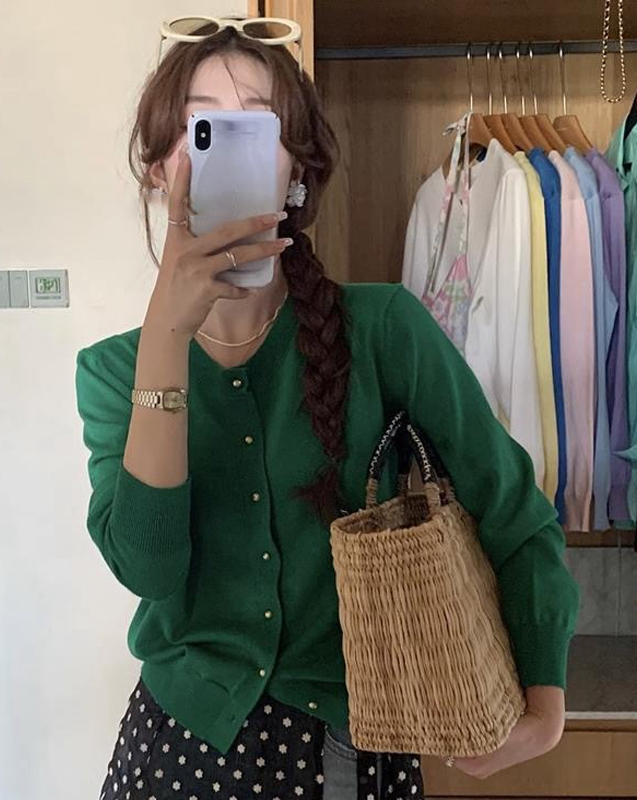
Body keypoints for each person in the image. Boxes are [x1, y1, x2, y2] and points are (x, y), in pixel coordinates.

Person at [74, 18, 580, 800]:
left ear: (296, 173)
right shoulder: (113, 371)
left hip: (354, 749)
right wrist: (166, 338)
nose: (225, 150)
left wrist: (544, 701)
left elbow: (513, 509)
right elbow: (150, 567)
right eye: (202, 127)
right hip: (176, 753)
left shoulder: (384, 330)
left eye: (255, 128)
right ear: (157, 167)